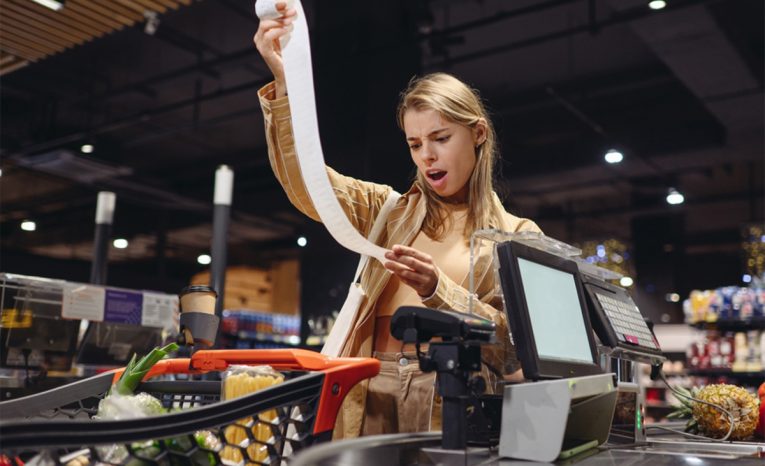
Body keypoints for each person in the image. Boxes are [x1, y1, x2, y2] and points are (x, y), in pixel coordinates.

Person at [254, 3, 541, 439]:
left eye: (441, 138)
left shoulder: (517, 237)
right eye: (414, 143)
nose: (427, 155)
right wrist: (283, 81)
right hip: (367, 384)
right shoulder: (385, 211)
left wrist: (436, 289)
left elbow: (514, 350)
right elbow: (306, 182)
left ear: (478, 133)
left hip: (451, 396)